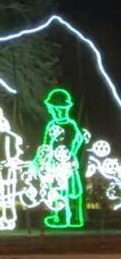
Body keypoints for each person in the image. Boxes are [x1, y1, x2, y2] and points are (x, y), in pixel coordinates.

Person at [32, 88, 85, 229]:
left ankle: (72, 218)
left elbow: (78, 139)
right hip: (54, 165)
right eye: (51, 109)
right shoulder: (51, 124)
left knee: (69, 191)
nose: (52, 112)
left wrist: (70, 155)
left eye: (55, 109)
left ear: (64, 109)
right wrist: (42, 159)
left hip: (66, 164)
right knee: (56, 190)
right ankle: (59, 216)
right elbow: (46, 144)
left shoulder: (70, 124)